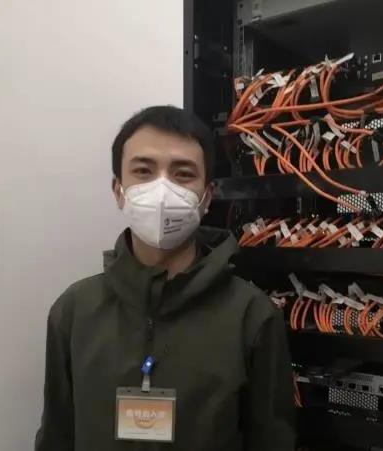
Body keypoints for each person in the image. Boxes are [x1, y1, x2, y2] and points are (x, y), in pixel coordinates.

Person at [35, 105, 295, 451]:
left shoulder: (252, 317)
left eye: (183, 174)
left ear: (206, 198)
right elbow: (57, 435)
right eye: (143, 171)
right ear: (118, 190)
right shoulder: (73, 311)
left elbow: (271, 440)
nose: (162, 190)